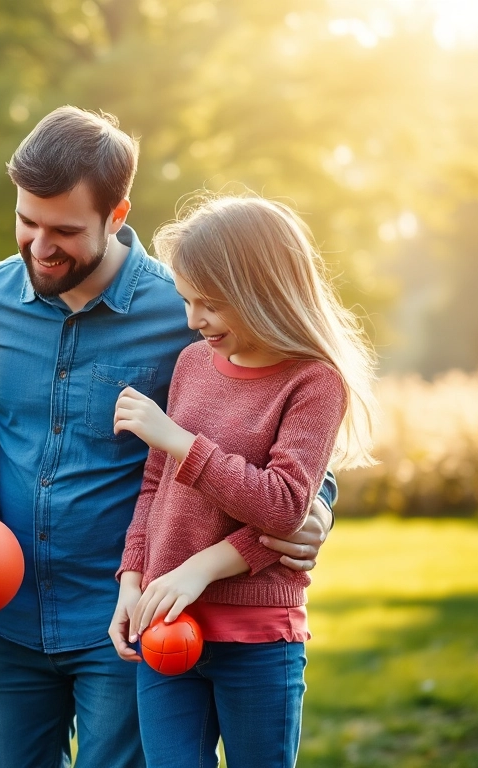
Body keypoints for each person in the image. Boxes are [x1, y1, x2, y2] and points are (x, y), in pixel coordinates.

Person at [0, 107, 339, 768]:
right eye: (27, 222)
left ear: (118, 214)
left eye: (65, 230)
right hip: (10, 616)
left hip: (128, 616)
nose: (40, 246)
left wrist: (319, 504)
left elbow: (269, 410)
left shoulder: (188, 308)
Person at [109, 195, 376, 766]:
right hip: (166, 624)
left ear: (263, 291)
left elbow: (282, 504)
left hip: (255, 635)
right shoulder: (191, 364)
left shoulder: (313, 383)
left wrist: (178, 444)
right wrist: (133, 579)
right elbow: (156, 486)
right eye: (186, 300)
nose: (192, 320)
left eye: (210, 304)